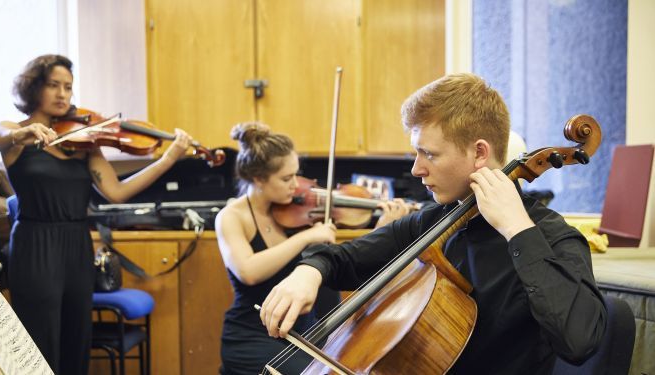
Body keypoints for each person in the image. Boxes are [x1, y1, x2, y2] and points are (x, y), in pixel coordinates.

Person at [260, 73, 607, 374]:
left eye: (429, 153)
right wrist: (308, 273)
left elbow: (579, 341)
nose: (416, 169)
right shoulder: (432, 223)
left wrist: (518, 230)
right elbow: (344, 259)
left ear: (479, 153)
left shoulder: (551, 237)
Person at [0, 54, 192, 374]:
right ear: (33, 88)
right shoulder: (16, 135)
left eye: (68, 87)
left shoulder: (83, 142)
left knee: (76, 339)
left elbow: (117, 192)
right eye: (53, 85)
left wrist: (168, 159)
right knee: (38, 342)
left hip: (76, 243)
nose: (62, 94)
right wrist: (23, 134)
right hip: (34, 243)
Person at [216, 122, 415, 374]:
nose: (295, 185)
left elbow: (340, 261)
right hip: (254, 335)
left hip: (305, 334)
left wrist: (382, 230)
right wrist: (306, 237)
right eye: (286, 178)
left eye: (297, 175)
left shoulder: (300, 210)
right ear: (259, 179)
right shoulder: (232, 216)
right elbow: (248, 271)